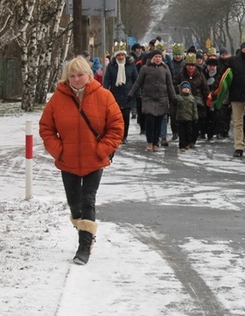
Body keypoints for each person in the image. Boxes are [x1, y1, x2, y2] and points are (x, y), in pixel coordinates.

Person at [39, 56, 124, 265]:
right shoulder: (58, 99)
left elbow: (116, 127)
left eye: (80, 75)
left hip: (94, 160)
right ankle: (86, 233)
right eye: (72, 76)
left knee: (88, 200)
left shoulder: (104, 96)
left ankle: (84, 247)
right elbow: (46, 128)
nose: (76, 79)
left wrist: (101, 150)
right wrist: (59, 151)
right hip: (68, 161)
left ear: (89, 74)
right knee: (74, 204)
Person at [128, 49, 177, 152]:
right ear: (152, 58)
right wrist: (131, 94)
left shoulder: (165, 68)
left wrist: (173, 97)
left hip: (162, 99)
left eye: (159, 57)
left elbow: (169, 85)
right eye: (156, 57)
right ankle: (149, 142)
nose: (158, 59)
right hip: (148, 99)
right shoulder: (145, 69)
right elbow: (138, 83)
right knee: (150, 122)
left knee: (158, 123)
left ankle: (156, 143)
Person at [102, 47, 138, 143]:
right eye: (119, 55)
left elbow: (136, 79)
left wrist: (135, 92)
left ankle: (124, 136)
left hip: (128, 94)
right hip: (115, 94)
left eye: (122, 55)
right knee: (116, 116)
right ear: (116, 56)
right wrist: (105, 91)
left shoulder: (130, 65)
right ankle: (116, 134)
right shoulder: (111, 66)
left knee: (126, 116)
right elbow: (107, 79)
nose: (121, 57)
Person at [176, 81, 199, 151]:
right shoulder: (178, 98)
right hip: (180, 118)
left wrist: (195, 118)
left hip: (189, 118)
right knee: (181, 133)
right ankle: (182, 145)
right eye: (184, 88)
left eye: (187, 88)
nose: (186, 89)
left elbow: (194, 109)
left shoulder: (192, 98)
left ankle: (187, 144)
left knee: (189, 132)